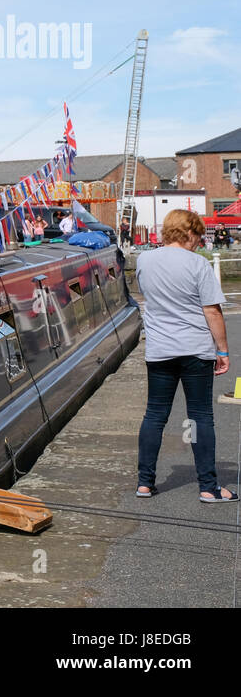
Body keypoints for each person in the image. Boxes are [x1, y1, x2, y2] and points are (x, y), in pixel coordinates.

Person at [134, 209, 236, 502]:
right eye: (199, 237)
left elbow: (150, 297)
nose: (200, 243)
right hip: (195, 350)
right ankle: (208, 487)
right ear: (188, 232)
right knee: (200, 416)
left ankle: (144, 483)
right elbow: (212, 311)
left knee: (155, 415)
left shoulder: (144, 260)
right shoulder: (198, 265)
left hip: (159, 350)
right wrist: (223, 351)